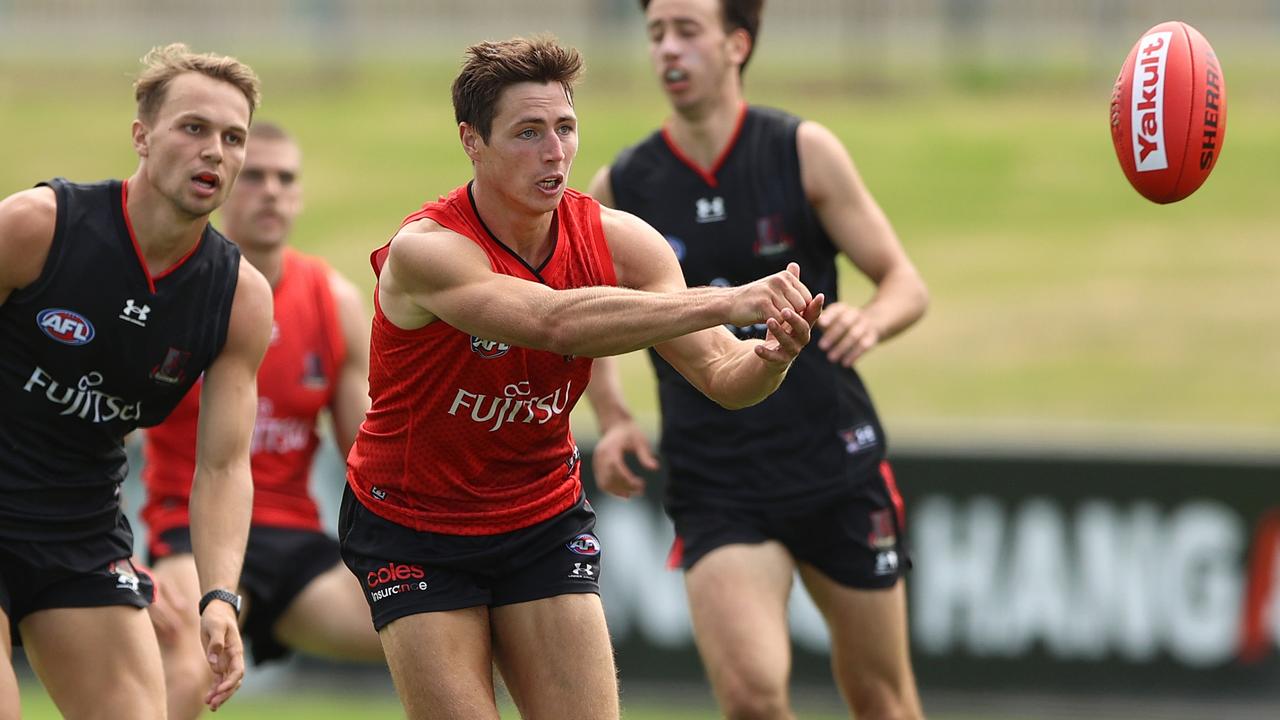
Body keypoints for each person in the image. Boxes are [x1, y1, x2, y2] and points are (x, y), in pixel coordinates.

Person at [338, 35, 823, 720]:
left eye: (564, 128)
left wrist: (773, 356)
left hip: (540, 515)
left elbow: (722, 375)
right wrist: (730, 299)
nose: (554, 151)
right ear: (471, 141)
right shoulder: (426, 252)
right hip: (413, 524)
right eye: (527, 132)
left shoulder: (624, 242)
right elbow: (553, 323)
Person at [584, 2, 930, 719]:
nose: (668, 51)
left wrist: (870, 319)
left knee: (883, 701)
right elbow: (585, 316)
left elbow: (905, 283)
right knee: (750, 696)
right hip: (718, 477)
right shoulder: (624, 186)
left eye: (687, 32)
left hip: (834, 458)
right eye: (655, 35)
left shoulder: (801, 150)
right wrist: (613, 417)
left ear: (737, 43)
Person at [0, 43, 272, 717]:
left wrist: (219, 596)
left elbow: (224, 464)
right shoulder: (37, 227)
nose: (215, 150)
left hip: (81, 533)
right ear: (142, 137)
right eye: (194, 128)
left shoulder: (238, 298)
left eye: (233, 137)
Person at [139, 121, 381, 720]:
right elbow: (92, 434)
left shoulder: (333, 300)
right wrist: (120, 556)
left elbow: (371, 461)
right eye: (254, 177)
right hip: (187, 538)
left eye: (286, 178)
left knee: (437, 628)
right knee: (189, 663)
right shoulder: (171, 294)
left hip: (293, 541)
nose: (271, 191)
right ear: (222, 184)